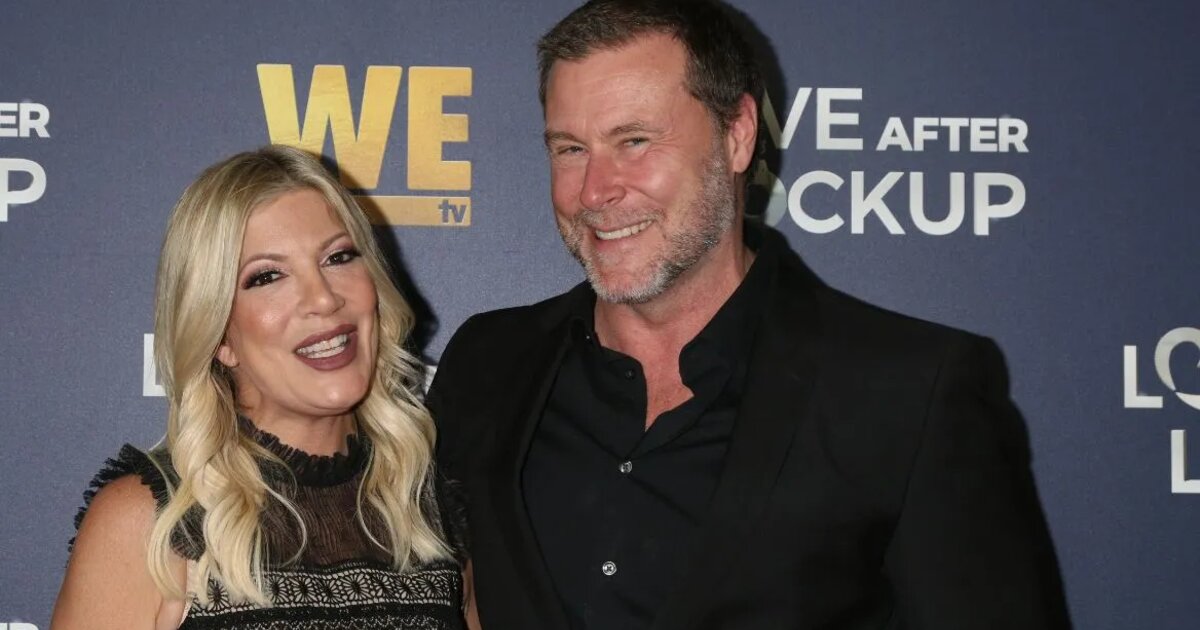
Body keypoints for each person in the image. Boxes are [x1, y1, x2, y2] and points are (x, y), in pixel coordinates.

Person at [426, 0, 1069, 628]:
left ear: (737, 135)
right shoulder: (489, 362)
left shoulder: (909, 392)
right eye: (570, 149)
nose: (594, 191)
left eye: (635, 140)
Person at [52, 146, 476, 630]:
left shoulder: (430, 509)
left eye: (338, 257)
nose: (323, 299)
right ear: (220, 336)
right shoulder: (151, 524)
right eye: (267, 276)